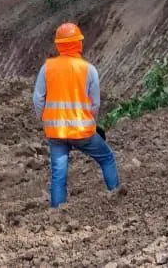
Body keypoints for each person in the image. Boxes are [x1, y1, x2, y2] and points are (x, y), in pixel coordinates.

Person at [32, 22, 123, 208]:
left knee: (59, 174)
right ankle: (116, 197)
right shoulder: (88, 69)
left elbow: (38, 99)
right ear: (79, 43)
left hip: (56, 132)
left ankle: (57, 212)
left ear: (58, 45)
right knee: (107, 158)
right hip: (83, 131)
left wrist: (44, 119)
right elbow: (95, 103)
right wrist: (92, 123)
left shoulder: (47, 68)